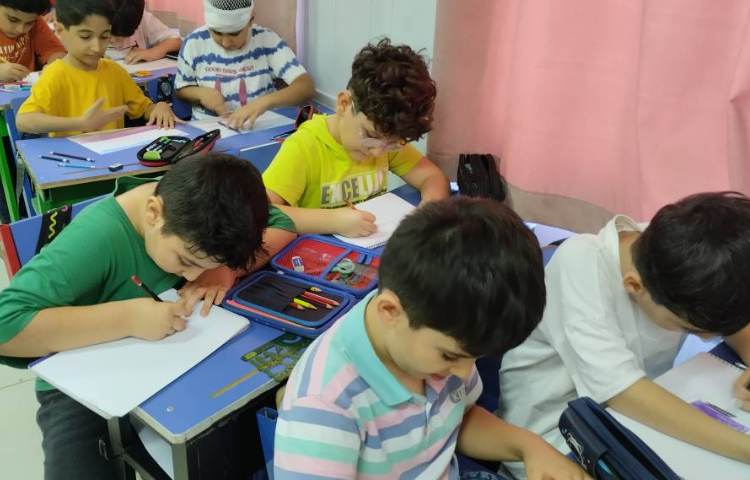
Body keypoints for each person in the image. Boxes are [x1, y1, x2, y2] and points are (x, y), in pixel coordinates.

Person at [0, 152, 296, 478]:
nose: (194, 275)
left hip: (173, 366)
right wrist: (127, 319)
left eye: (204, 265)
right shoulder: (98, 236)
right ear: (154, 213)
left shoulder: (207, 209)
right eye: (186, 261)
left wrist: (225, 269)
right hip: (80, 380)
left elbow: (282, 223)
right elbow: (5, 325)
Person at [275, 197, 590, 479]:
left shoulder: (439, 335)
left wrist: (529, 446)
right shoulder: (324, 406)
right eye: (451, 356)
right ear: (390, 311)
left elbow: (458, 417)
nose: (464, 373)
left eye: (475, 359)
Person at [500, 191, 750, 476]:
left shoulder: (678, 252)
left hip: (633, 419)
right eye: (690, 329)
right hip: (552, 438)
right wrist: (745, 448)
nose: (705, 339)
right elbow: (621, 391)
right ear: (634, 286)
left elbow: (730, 312)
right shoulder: (581, 263)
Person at [263, 38, 450, 238]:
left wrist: (426, 213)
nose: (377, 151)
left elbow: (432, 177)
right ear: (344, 104)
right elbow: (264, 212)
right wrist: (332, 221)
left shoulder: (385, 139)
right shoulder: (305, 146)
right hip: (319, 251)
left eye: (392, 144)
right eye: (370, 135)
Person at [16, 0, 178, 137]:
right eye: (85, 36)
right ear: (60, 31)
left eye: (105, 36)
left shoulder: (115, 71)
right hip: (74, 162)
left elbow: (144, 108)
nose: (97, 47)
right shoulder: (55, 75)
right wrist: (80, 123)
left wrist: (159, 107)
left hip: (113, 158)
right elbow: (23, 121)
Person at [175, 0, 314, 128]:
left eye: (234, 34)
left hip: (259, 127)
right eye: (217, 33)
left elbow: (305, 87)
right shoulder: (194, 42)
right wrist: (200, 93)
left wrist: (264, 102)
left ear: (251, 20)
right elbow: (181, 88)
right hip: (208, 129)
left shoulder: (267, 40)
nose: (226, 43)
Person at [0, 0, 65, 82]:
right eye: (13, 20)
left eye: (29, 23)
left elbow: (55, 52)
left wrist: (54, 67)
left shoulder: (36, 21)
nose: (20, 29)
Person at [108, 0, 181, 64]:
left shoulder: (138, 16)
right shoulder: (103, 12)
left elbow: (177, 39)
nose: (114, 40)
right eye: (105, 35)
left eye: (123, 35)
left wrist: (153, 52)